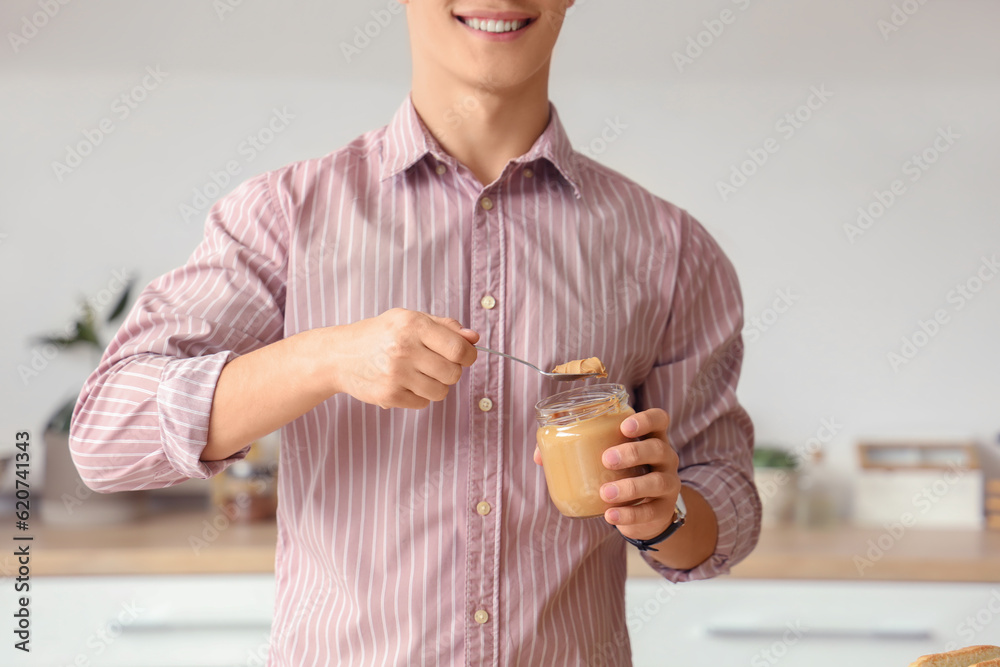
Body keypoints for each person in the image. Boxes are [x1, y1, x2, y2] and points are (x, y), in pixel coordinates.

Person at [70, 1, 761, 664]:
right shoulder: (284, 217)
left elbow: (725, 503)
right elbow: (106, 436)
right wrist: (326, 357)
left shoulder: (670, 249)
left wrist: (665, 513)